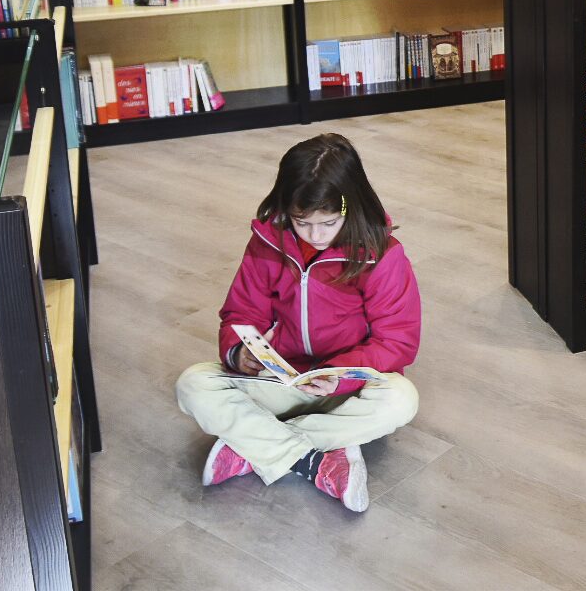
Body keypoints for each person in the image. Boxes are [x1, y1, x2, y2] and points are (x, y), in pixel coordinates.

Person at [175, 134, 420, 512]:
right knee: (193, 384)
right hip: (283, 382)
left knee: (401, 400)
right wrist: (240, 353)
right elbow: (241, 313)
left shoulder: (382, 256)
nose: (316, 236)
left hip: (346, 388)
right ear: (286, 207)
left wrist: (340, 374)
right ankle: (317, 457)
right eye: (302, 222)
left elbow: (397, 342)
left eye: (329, 223)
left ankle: (254, 446)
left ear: (351, 207)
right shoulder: (267, 243)